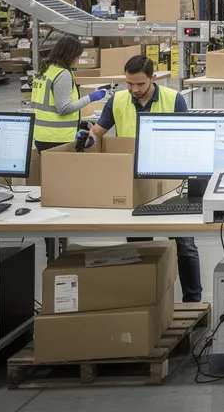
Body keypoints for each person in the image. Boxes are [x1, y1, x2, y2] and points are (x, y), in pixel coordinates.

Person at [87, 55, 201, 302]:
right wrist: (87, 139)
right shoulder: (118, 100)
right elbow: (98, 131)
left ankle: (194, 302)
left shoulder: (173, 100)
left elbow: (187, 140)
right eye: (129, 84)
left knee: (185, 245)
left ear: (153, 78)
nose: (134, 89)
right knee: (139, 246)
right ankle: (146, 302)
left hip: (171, 184)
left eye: (139, 84)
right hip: (134, 185)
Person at [28, 35, 108, 153]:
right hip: (58, 138)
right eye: (76, 57)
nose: (76, 61)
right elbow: (64, 108)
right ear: (68, 55)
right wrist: (91, 98)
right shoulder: (62, 74)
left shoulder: (45, 69)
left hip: (41, 135)